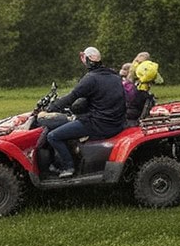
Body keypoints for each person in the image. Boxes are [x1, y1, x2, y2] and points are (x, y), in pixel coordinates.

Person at [45, 46, 126, 177]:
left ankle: (68, 167)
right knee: (65, 127)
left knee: (53, 136)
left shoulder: (91, 78)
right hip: (115, 122)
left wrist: (52, 107)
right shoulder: (113, 76)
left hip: (98, 124)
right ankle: (61, 161)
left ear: (88, 60)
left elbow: (72, 96)